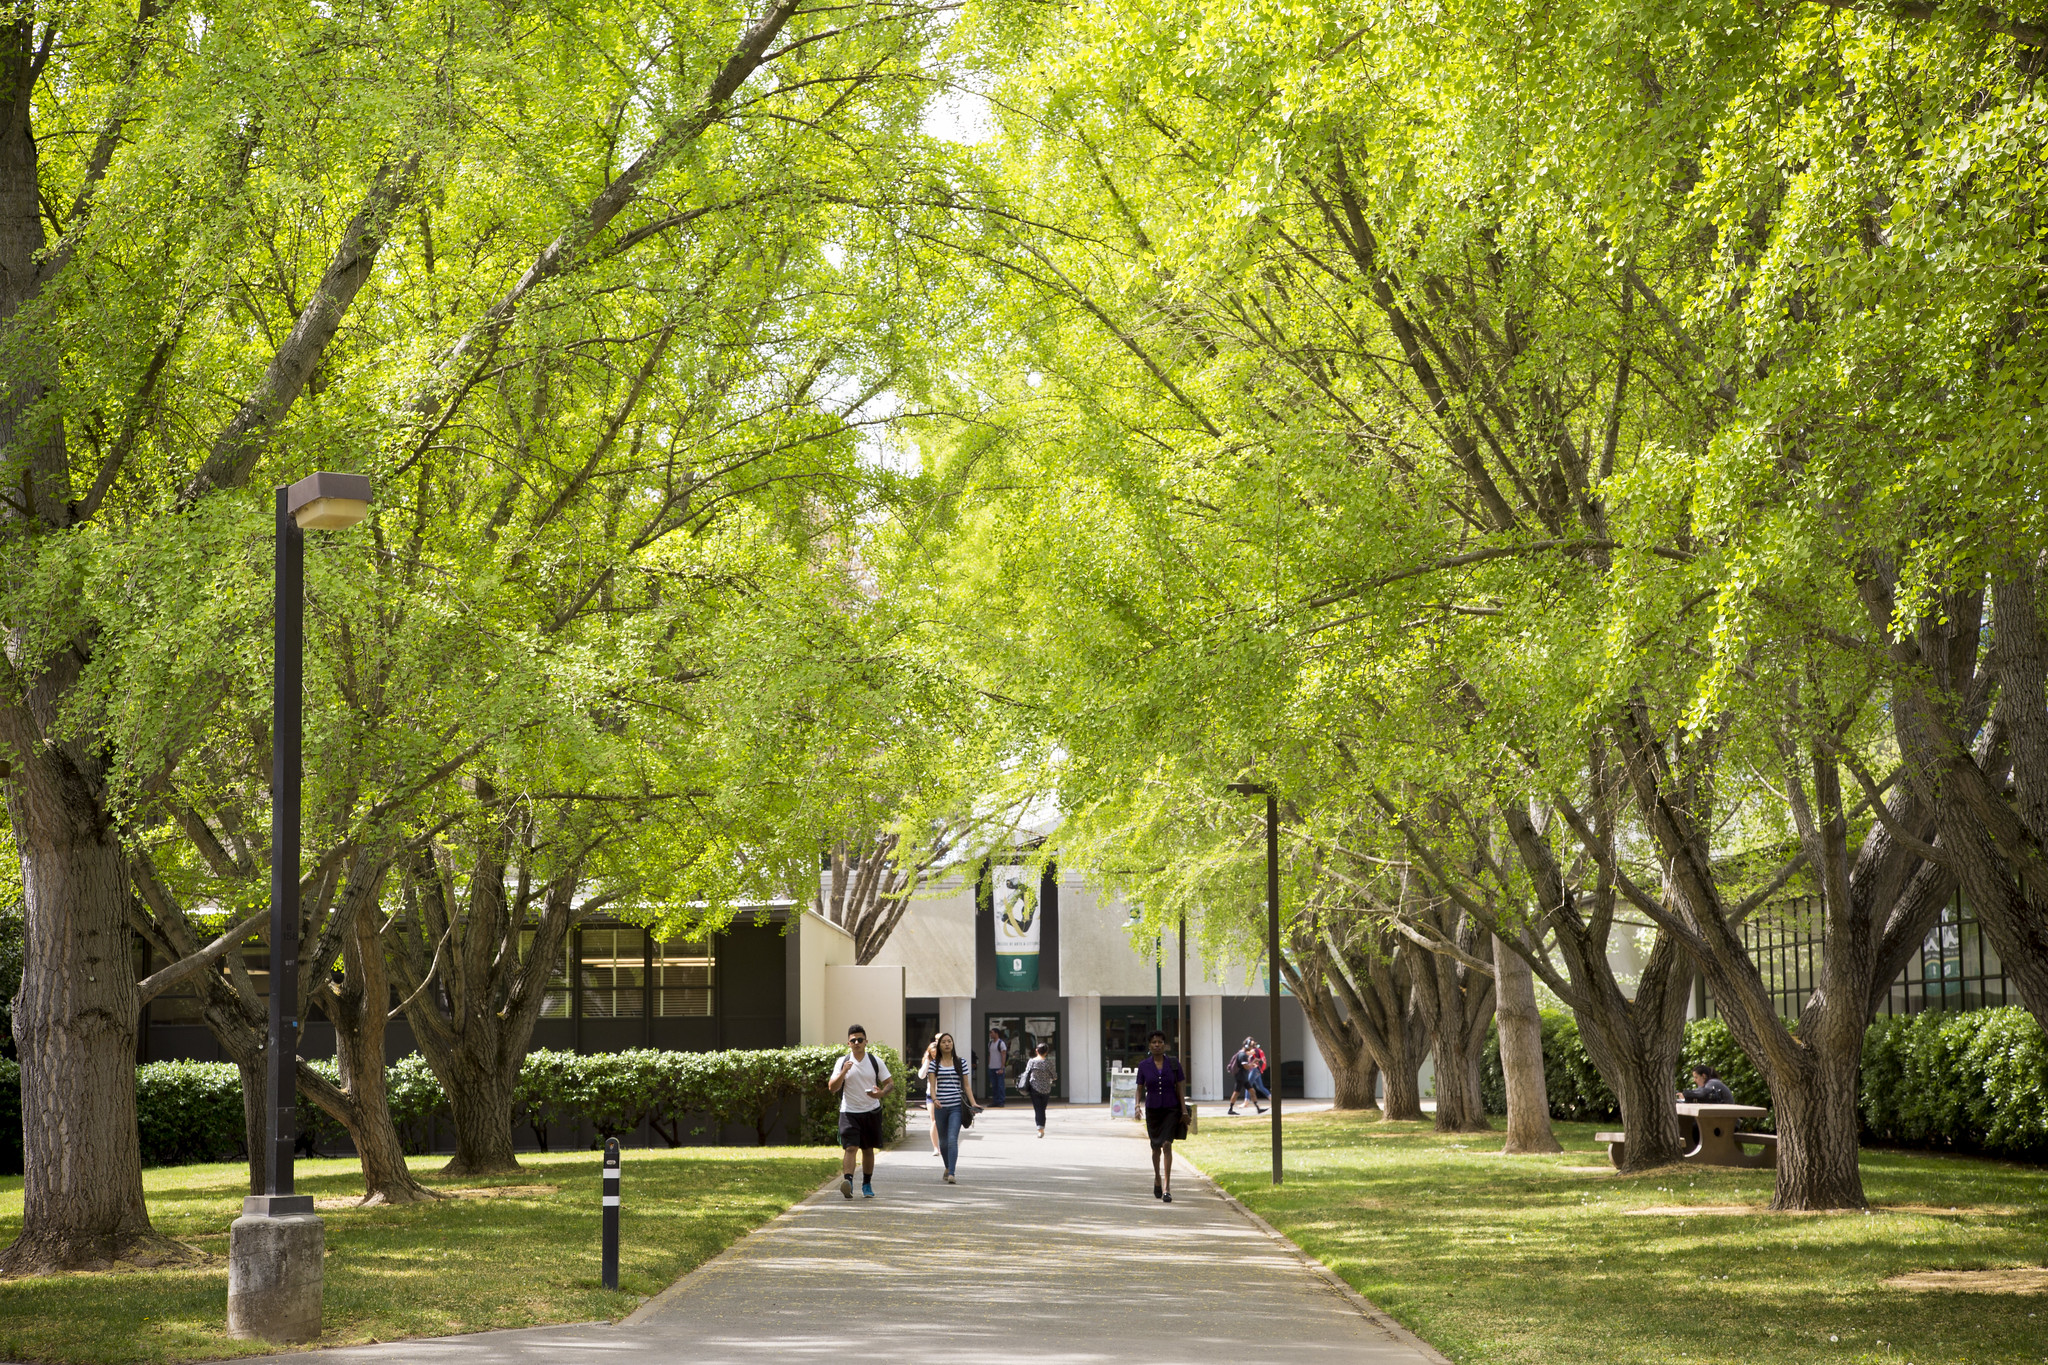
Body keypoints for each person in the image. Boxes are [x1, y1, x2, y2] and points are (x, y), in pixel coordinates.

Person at [827, 1023, 893, 1200]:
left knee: (868, 1149)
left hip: (871, 1111)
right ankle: (847, 1182)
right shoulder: (842, 1062)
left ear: (866, 1042)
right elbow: (832, 1088)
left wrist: (880, 1093)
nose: (857, 1042)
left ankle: (867, 1183)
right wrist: (843, 1072)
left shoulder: (875, 1061)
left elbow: (890, 1083)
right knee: (851, 1147)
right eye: (853, 1040)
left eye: (860, 1039)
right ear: (848, 1043)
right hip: (849, 1111)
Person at [1137, 1031, 1187, 1201]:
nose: (1157, 1045)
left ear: (1165, 1045)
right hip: (1153, 1110)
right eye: (1153, 1042)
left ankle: (1167, 1186)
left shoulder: (1173, 1063)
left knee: (1167, 1144)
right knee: (1155, 1147)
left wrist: (1184, 1111)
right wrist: (1137, 1105)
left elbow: (1180, 1087)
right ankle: (1157, 1178)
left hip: (1171, 1109)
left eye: (1160, 1042)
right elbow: (1139, 1088)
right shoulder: (1144, 1065)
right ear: (1149, 1045)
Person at [928, 1031, 980, 1184]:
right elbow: (932, 1086)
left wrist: (973, 1103)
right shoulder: (934, 1064)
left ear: (952, 1044)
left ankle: (952, 1172)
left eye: (949, 1041)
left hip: (956, 1107)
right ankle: (947, 1166)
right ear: (939, 1045)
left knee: (952, 1140)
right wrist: (935, 1099)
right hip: (940, 1107)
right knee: (943, 1142)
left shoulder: (960, 1062)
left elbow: (966, 1086)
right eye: (943, 1042)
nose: (946, 1044)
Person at [1021, 1042, 1058, 1137]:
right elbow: (1054, 1076)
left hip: (1034, 1088)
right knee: (1042, 1108)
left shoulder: (1032, 1062)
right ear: (1046, 1052)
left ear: (1036, 1051)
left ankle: (1040, 1129)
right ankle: (1041, 1128)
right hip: (1046, 1089)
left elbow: (1026, 1073)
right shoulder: (1048, 1063)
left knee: (1038, 1109)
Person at [918, 1038, 943, 1159]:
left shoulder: (945, 1061)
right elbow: (921, 1075)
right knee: (934, 1120)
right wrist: (927, 1060)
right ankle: (935, 1148)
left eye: (935, 1054)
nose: (934, 1056)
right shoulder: (928, 1062)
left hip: (943, 1094)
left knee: (943, 1122)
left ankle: (943, 1146)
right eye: (932, 1054)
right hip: (930, 1095)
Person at [987, 1026, 1010, 1107]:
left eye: (992, 1033)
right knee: (994, 1086)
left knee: (1000, 1085)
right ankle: (995, 1101)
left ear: (996, 1033)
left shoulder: (1001, 1043)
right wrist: (989, 1065)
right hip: (992, 1067)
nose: (990, 1034)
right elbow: (989, 1055)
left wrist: (1002, 1067)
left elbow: (1003, 1055)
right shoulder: (990, 1043)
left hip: (999, 1067)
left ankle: (1001, 1101)